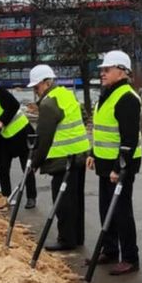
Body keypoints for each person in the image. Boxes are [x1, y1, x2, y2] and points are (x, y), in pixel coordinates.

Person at [86, 50, 141, 276]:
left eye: (107, 70)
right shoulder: (107, 94)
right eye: (102, 70)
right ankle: (109, 249)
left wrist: (120, 168)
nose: (102, 73)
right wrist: (93, 152)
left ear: (122, 71)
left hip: (120, 165)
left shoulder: (127, 98)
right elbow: (103, 131)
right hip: (104, 162)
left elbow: (128, 138)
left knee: (121, 211)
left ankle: (130, 257)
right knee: (105, 208)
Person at [27, 65, 89, 251]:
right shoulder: (67, 95)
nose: (35, 92)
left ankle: (66, 239)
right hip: (79, 154)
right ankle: (77, 237)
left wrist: (35, 162)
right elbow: (83, 117)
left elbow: (43, 137)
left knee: (63, 202)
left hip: (63, 159)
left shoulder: (48, 104)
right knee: (76, 200)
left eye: (36, 88)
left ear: (47, 83)